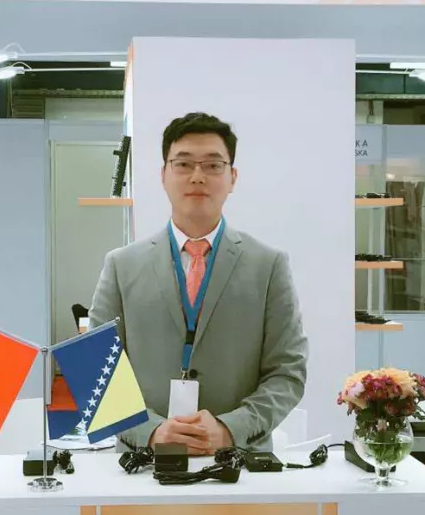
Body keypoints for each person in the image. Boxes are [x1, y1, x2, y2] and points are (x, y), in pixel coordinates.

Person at [88, 111, 308, 455]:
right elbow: (96, 370)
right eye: (183, 164)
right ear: (163, 175)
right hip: (145, 463)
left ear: (232, 177)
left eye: (213, 165)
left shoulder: (268, 265)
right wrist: (151, 431)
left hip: (239, 463)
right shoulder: (121, 265)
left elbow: (287, 372)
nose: (197, 176)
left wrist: (230, 429)